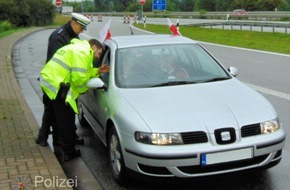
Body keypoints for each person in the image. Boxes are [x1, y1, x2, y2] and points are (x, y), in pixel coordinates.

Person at [39, 38, 109, 161]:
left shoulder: (78, 49)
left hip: (49, 79)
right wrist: (84, 89)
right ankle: (69, 152)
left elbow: (83, 71)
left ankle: (44, 137)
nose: (98, 57)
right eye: (99, 53)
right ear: (94, 47)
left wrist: (97, 70)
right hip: (56, 84)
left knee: (53, 113)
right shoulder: (83, 53)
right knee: (66, 118)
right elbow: (79, 80)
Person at [35, 13, 91, 147]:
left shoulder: (72, 36)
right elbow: (59, 63)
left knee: (66, 110)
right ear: (74, 24)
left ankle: (68, 136)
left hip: (64, 82)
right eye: (81, 28)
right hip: (54, 81)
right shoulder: (58, 36)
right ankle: (44, 136)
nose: (82, 31)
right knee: (51, 110)